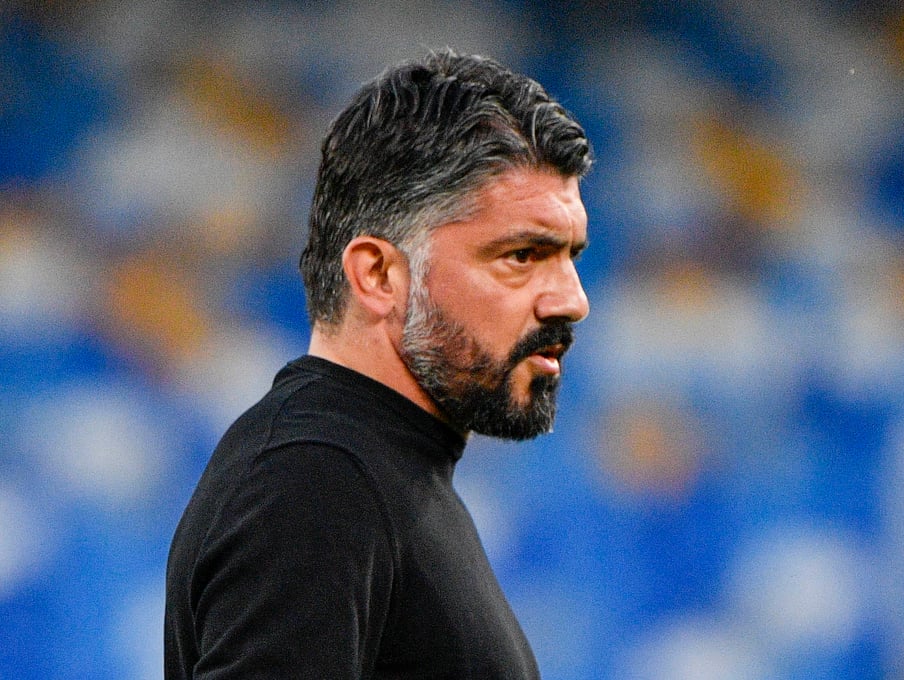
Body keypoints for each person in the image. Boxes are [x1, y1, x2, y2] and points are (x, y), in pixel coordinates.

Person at [164, 49, 593, 679]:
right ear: (378, 274)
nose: (573, 301)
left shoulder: (371, 471)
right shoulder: (314, 482)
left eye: (571, 256)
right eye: (523, 256)